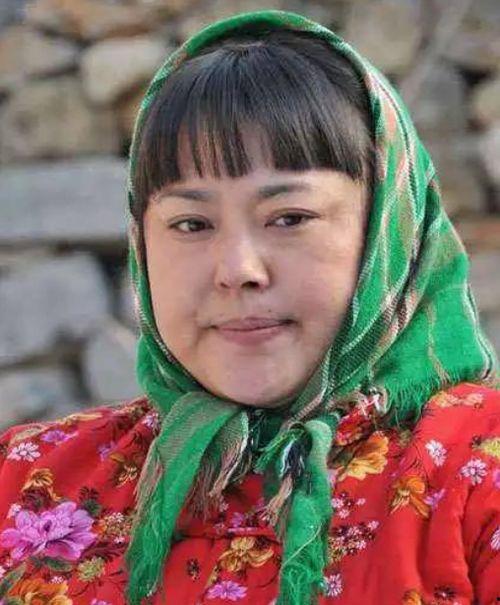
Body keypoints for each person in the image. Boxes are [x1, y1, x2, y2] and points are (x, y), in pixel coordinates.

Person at [0, 9, 499, 605]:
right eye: (191, 223)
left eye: (289, 218)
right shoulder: (28, 480)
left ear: (388, 231)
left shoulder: (477, 477)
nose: (237, 270)